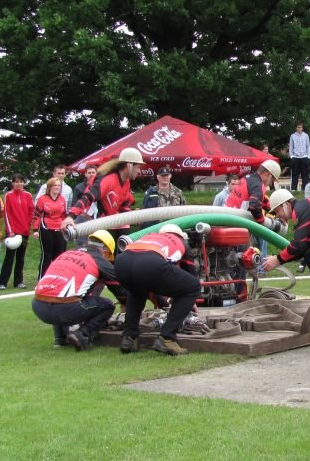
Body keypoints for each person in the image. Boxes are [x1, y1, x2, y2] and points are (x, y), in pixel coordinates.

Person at [31, 230, 127, 350]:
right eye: (108, 258)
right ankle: (83, 334)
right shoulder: (99, 260)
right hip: (66, 309)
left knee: (58, 294)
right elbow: (119, 288)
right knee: (107, 305)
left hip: (38, 306)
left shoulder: (67, 253)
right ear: (105, 251)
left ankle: (60, 339)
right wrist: (128, 303)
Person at [115, 224, 201, 356]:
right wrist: (190, 301)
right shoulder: (180, 242)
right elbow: (190, 276)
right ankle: (167, 338)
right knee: (193, 287)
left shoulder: (149, 236)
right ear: (180, 236)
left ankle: (129, 337)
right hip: (150, 263)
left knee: (137, 291)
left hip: (122, 263)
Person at [63, 147, 145, 234]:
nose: (139, 171)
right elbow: (88, 197)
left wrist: (134, 217)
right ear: (129, 166)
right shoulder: (108, 179)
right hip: (87, 222)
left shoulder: (126, 181)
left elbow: (123, 206)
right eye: (138, 167)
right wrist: (70, 217)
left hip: (102, 224)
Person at [0, 175, 34, 289]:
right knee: (9, 257)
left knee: (21, 258)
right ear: (12, 183)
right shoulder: (8, 195)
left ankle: (18, 281)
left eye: (21, 182)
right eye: (17, 182)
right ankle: (2, 282)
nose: (19, 184)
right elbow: (7, 213)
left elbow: (31, 211)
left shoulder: (28, 195)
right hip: (13, 232)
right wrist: (10, 230)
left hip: (24, 231)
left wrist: (27, 226)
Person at [32, 177, 68, 278]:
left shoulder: (62, 199)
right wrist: (35, 230)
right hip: (46, 229)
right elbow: (37, 215)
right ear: (50, 187)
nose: (57, 187)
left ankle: (56, 278)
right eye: (55, 185)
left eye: (59, 186)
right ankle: (42, 278)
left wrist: (66, 227)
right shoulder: (42, 199)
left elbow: (64, 215)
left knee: (59, 255)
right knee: (46, 255)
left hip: (59, 229)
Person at [226, 160, 281, 224]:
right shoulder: (259, 185)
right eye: (273, 180)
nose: (271, 184)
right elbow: (254, 206)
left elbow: (262, 201)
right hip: (235, 222)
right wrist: (263, 222)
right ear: (269, 175)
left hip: (227, 217)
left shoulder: (246, 178)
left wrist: (275, 211)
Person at [288, 122, 310, 191]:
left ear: (302, 128)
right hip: (295, 157)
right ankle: (293, 189)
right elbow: (291, 147)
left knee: (305, 175)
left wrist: (308, 156)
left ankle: (305, 189)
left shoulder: (306, 136)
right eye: (298, 127)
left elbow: (308, 146)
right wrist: (291, 156)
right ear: (296, 128)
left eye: (300, 127)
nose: (299, 129)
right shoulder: (292, 136)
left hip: (304, 157)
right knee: (295, 174)